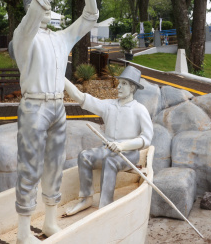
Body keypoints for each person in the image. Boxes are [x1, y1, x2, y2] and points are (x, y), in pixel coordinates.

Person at [10, 0, 99, 243]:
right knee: (30, 168)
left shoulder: (60, 38)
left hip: (57, 108)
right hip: (34, 107)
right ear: (30, 11)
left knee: (55, 166)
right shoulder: (24, 37)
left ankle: (49, 222)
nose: (48, 9)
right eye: (43, 5)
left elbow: (90, 17)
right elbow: (40, 2)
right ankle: (24, 233)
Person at [62, 66, 153, 216]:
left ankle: (105, 205)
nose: (118, 87)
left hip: (129, 154)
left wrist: (122, 146)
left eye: (123, 83)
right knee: (84, 156)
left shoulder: (139, 109)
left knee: (110, 162)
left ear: (132, 87)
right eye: (119, 83)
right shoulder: (108, 106)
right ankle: (86, 198)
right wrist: (62, 78)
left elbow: (146, 139)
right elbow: (80, 97)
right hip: (107, 150)